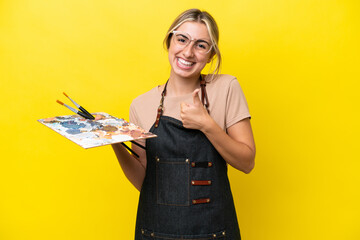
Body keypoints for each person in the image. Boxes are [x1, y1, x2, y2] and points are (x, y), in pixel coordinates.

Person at [112, 8, 255, 240]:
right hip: (156, 233)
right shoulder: (141, 104)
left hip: (215, 232)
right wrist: (115, 142)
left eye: (201, 45)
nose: (188, 52)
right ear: (170, 41)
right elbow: (144, 183)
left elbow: (247, 162)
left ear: (210, 55)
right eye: (182, 39)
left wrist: (206, 124)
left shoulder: (226, 88)